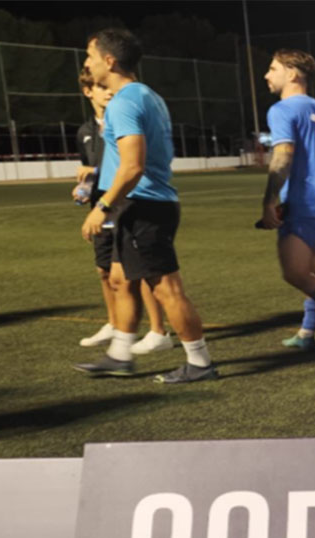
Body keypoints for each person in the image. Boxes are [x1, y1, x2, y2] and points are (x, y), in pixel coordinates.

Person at [73, 28, 216, 383]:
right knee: (121, 278)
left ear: (110, 60)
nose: (87, 63)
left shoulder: (124, 102)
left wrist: (101, 206)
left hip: (143, 205)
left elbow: (133, 166)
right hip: (138, 205)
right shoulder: (144, 95)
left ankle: (200, 363)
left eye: (90, 56)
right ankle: (120, 354)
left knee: (166, 288)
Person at [74, 68, 173, 356]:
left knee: (145, 274)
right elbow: (96, 170)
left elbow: (130, 164)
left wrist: (101, 195)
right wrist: (85, 186)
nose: (106, 91)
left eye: (106, 84)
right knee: (108, 272)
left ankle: (159, 332)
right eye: (98, 86)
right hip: (104, 205)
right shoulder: (86, 131)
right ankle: (117, 331)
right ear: (88, 92)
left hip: (127, 203)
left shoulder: (125, 112)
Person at [261, 49, 315, 351]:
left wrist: (270, 199)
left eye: (273, 69)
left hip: (304, 204)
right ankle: (307, 332)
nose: (266, 75)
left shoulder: (283, 109)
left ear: (293, 74)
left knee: (296, 272)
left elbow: (283, 155)